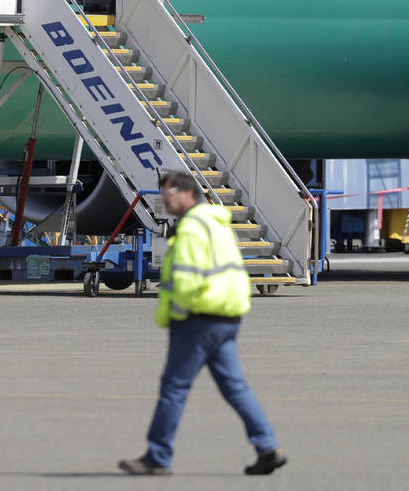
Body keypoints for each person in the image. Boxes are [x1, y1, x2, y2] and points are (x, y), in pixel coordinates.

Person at [118, 171, 286, 476]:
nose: (163, 201)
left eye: (167, 193)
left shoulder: (192, 229)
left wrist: (176, 314)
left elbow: (185, 278)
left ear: (185, 193)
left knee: (174, 388)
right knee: (235, 387)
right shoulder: (217, 223)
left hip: (199, 318)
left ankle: (157, 456)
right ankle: (268, 447)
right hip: (227, 316)